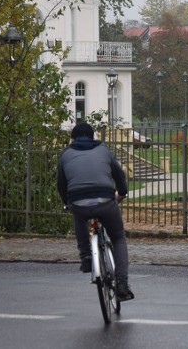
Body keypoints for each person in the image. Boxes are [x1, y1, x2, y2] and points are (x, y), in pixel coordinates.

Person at [57, 122, 134, 301]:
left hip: (78, 200)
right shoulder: (103, 150)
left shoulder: (65, 154)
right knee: (118, 237)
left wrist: (67, 203)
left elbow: (61, 184)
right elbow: (119, 175)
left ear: (73, 139)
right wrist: (121, 193)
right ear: (93, 137)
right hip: (106, 200)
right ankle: (122, 284)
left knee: (79, 216)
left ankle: (85, 257)